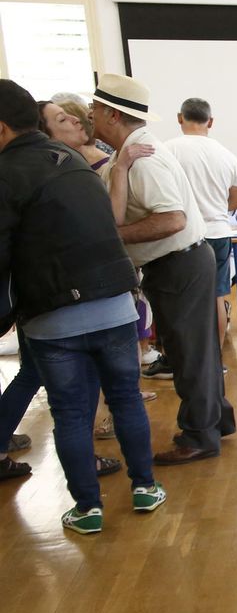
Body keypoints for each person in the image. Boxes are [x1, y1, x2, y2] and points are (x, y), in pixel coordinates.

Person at [0, 78, 165, 534]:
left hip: (53, 317)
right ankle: (145, 487)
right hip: (114, 304)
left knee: (71, 413)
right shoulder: (75, 160)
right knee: (126, 400)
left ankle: (87, 509)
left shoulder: (6, 173)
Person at [92, 74, 235, 465]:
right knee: (197, 351)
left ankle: (199, 436)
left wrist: (113, 237)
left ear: (111, 114)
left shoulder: (144, 157)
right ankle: (216, 422)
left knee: (189, 355)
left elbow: (172, 219)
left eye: (95, 109)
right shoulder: (132, 152)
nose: (89, 114)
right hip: (182, 262)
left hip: (178, 263)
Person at [167, 97, 237, 355]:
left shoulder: (167, 151)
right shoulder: (227, 155)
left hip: (182, 236)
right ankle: (215, 360)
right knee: (217, 297)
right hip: (218, 233)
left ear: (180, 118)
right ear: (210, 122)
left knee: (180, 301)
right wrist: (215, 208)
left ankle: (181, 360)